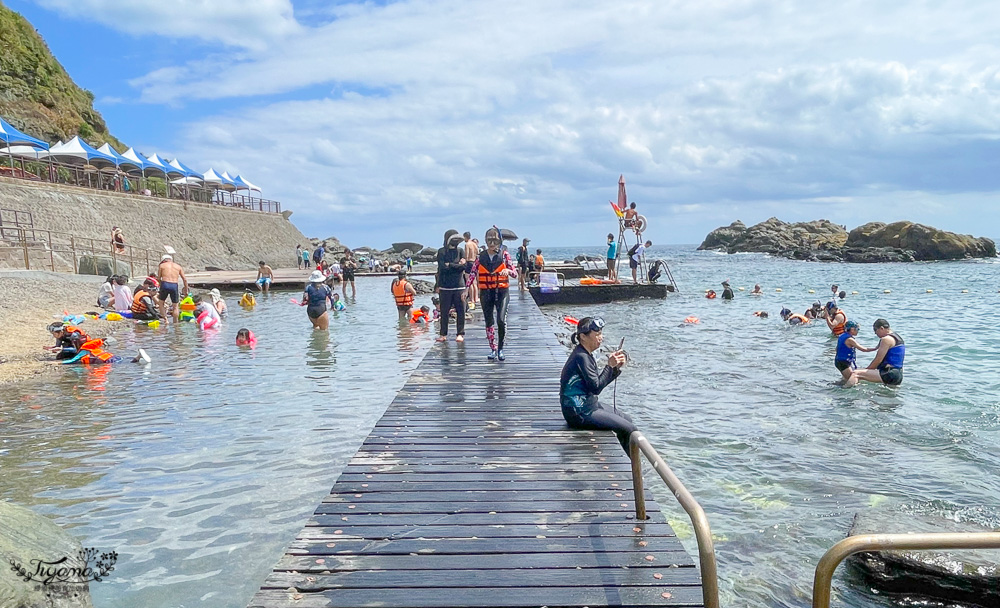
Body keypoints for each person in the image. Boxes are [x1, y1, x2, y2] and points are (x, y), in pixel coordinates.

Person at [560, 316, 634, 453]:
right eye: (597, 334)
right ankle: (634, 468)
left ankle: (627, 457)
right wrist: (609, 366)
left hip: (588, 404)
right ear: (583, 336)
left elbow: (596, 383)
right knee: (630, 430)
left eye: (601, 333)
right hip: (578, 411)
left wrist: (615, 368)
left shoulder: (586, 354)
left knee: (627, 419)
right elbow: (596, 388)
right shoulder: (581, 357)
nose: (601, 337)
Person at [467, 227, 517, 360]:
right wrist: (466, 289)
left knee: (501, 320)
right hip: (486, 292)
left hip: (501, 292)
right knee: (489, 321)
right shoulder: (480, 257)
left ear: (499, 242)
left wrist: (507, 270)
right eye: (489, 241)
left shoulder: (505, 256)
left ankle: (501, 348)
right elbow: (472, 273)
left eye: (494, 241)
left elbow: (515, 273)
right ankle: (493, 349)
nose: (492, 244)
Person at [852, 319, 905, 387]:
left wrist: (866, 370)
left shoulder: (886, 339)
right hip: (898, 374)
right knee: (884, 396)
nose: (875, 333)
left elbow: (878, 360)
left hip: (889, 373)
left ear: (881, 328)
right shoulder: (897, 338)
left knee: (856, 373)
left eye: (875, 330)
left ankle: (846, 394)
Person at [436, 229, 467, 342]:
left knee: (461, 311)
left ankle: (460, 334)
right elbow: (442, 268)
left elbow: (465, 267)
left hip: (459, 286)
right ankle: (443, 334)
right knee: (444, 312)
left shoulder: (460, 251)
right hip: (445, 286)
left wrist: (451, 265)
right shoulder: (441, 252)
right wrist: (457, 265)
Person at [835, 320, 877, 386]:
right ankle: (839, 391)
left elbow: (836, 349)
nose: (858, 331)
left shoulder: (841, 336)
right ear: (852, 329)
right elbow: (863, 349)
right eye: (857, 329)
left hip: (839, 361)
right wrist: (876, 348)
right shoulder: (850, 339)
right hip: (843, 363)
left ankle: (834, 387)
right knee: (852, 381)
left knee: (846, 379)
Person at [156, 254, 188, 323]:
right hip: (174, 285)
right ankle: (175, 323)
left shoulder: (162, 265)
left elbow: (158, 278)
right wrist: (186, 290)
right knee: (175, 306)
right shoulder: (178, 266)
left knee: (161, 303)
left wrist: (161, 285)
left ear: (163, 260)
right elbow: (184, 279)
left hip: (165, 283)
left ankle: (166, 320)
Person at [464, 232, 479, 311]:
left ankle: (472, 299)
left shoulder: (467, 244)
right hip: (474, 262)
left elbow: (466, 255)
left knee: (469, 282)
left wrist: (464, 262)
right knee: (475, 282)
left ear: (465, 237)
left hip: (469, 262)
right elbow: (477, 253)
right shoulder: (474, 244)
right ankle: (476, 298)